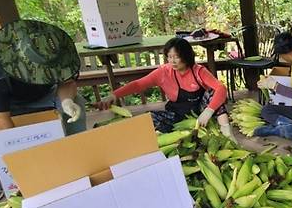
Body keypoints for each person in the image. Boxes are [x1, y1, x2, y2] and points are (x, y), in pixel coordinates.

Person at [0, 20, 86, 206]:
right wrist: (21, 168)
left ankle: (76, 158)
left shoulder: (61, 54)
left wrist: (67, 101)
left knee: (77, 103)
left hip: (41, 95)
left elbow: (67, 83)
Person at [95, 37, 236, 142]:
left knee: (213, 93)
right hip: (176, 114)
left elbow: (221, 88)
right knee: (148, 118)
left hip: (200, 111)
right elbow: (138, 84)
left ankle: (228, 135)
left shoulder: (198, 71)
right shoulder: (163, 72)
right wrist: (113, 95)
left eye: (176, 57)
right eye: (169, 57)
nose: (173, 61)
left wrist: (208, 111)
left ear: (186, 56)